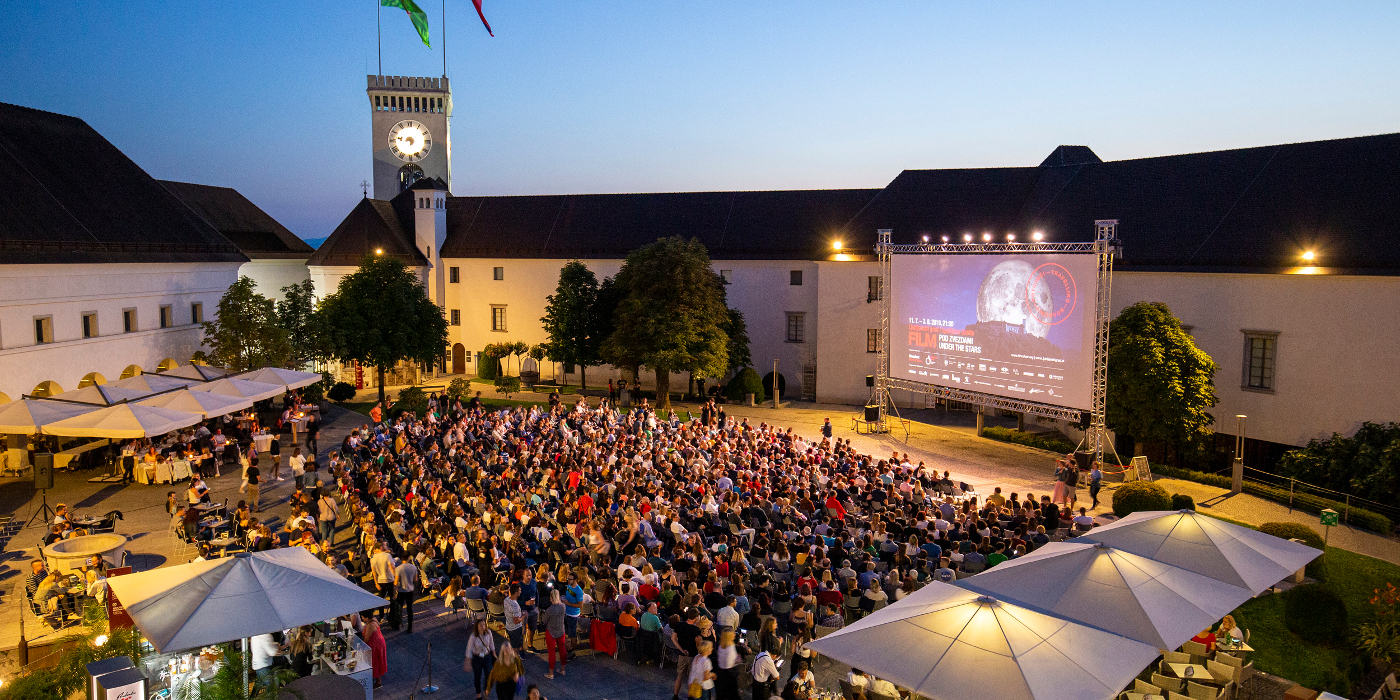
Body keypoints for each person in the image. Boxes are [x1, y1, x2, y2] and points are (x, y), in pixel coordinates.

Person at [467, 616, 498, 699]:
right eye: (480, 625)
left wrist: (494, 654)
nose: (483, 627)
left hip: (487, 656)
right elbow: (469, 649)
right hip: (477, 658)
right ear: (477, 627)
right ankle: (478, 695)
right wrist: (468, 662)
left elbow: (491, 643)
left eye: (484, 625)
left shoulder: (489, 633)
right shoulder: (473, 636)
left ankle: (485, 690)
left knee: (488, 675)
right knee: (477, 676)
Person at [715, 630, 746, 700]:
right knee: (732, 694)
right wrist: (737, 660)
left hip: (720, 672)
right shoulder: (730, 647)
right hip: (729, 674)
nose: (734, 635)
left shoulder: (721, 646)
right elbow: (729, 663)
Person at [363, 618, 388, 689]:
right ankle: (377, 681)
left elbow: (366, 638)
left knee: (375, 662)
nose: (362, 618)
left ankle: (378, 682)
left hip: (375, 645)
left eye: (362, 617)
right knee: (376, 662)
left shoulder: (371, 625)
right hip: (378, 643)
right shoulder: (373, 619)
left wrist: (361, 647)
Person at [504, 583, 525, 650]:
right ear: (516, 593)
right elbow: (516, 621)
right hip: (515, 629)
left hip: (508, 627)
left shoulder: (506, 599)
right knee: (515, 649)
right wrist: (523, 617)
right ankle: (514, 659)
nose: (521, 592)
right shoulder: (514, 605)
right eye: (520, 590)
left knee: (513, 645)